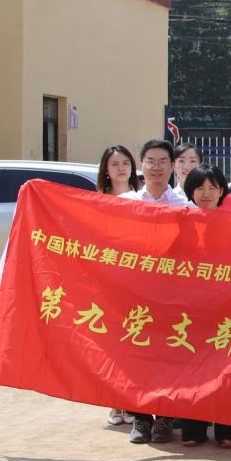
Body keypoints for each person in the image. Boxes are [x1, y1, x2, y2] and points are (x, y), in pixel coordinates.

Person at [177, 165, 231, 448]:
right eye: (200, 188)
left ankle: (228, 429)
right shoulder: (180, 223)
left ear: (222, 191)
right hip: (191, 308)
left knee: (228, 367)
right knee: (191, 367)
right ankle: (193, 427)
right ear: (190, 192)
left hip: (228, 307)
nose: (206, 194)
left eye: (212, 188)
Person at [121, 139, 184, 443]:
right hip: (135, 292)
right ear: (141, 165)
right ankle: (141, 418)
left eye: (162, 161)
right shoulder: (126, 203)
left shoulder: (184, 205)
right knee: (137, 354)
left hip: (173, 294)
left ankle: (165, 419)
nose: (156, 167)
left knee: (169, 355)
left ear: (172, 166)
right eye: (150, 161)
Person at [97, 145, 141, 428]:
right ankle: (115, 402)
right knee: (112, 346)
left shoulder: (141, 199)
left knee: (134, 343)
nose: (121, 168)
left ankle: (133, 403)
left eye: (126, 163)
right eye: (115, 164)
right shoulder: (95, 201)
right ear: (106, 169)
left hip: (136, 283)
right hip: (107, 282)